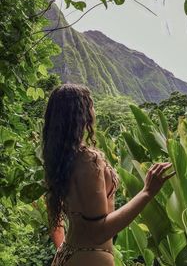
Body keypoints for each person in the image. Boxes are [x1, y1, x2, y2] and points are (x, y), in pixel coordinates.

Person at [42, 83, 175, 266]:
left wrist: (68, 253)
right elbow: (99, 232)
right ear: (84, 114)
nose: (94, 111)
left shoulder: (60, 160)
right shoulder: (88, 160)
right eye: (91, 106)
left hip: (66, 254)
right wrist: (147, 192)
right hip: (92, 258)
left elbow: (54, 218)